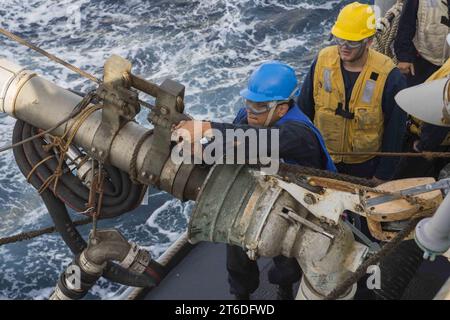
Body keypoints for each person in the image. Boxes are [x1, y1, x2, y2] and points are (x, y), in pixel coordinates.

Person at [173, 61, 336, 300]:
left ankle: (284, 289)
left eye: (259, 106)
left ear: (281, 109)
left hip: (297, 207)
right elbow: (230, 147)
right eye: (248, 102)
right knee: (236, 252)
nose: (250, 111)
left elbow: (258, 141)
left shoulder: (299, 133)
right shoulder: (250, 119)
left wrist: (206, 127)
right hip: (255, 193)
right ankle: (241, 296)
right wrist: (198, 149)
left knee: (287, 259)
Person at [298, 2, 407, 183]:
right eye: (340, 39)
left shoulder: (389, 76)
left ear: (369, 41)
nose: (344, 46)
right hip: (323, 157)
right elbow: (304, 109)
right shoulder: (323, 60)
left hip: (364, 165)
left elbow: (395, 131)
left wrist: (382, 175)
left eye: (352, 41)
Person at [394, 0, 450, 87]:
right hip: (422, 61)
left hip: (447, 65)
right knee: (416, 97)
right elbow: (406, 22)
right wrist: (404, 57)